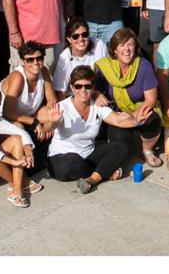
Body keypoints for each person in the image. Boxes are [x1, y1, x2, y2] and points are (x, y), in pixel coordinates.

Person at [42, 65, 139, 194]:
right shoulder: (62, 106)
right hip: (62, 158)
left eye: (87, 86)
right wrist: (52, 121)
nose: (83, 90)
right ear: (72, 87)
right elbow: (46, 128)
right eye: (78, 86)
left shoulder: (97, 105)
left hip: (87, 155)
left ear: (93, 88)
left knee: (121, 146)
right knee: (73, 164)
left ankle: (93, 179)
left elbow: (117, 120)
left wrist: (137, 120)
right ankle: (106, 172)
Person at [94, 29, 165, 167]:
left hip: (139, 109)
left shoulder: (144, 66)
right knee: (120, 140)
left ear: (135, 48)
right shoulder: (105, 67)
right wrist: (96, 94)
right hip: (117, 113)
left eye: (130, 44)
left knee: (152, 120)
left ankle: (147, 150)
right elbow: (91, 89)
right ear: (115, 49)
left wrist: (132, 116)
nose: (127, 49)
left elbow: (150, 99)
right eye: (122, 45)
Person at [0, 42, 59, 165]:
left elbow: (52, 102)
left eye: (39, 58)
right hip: (5, 118)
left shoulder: (44, 71)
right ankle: (23, 164)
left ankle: (53, 151)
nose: (35, 63)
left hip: (28, 115)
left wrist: (50, 124)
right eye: (30, 60)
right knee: (20, 128)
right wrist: (35, 123)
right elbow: (7, 113)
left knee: (53, 113)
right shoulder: (17, 77)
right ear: (22, 62)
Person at [53, 20, 108, 92]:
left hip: (100, 93)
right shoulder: (64, 57)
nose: (81, 39)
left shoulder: (99, 45)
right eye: (75, 36)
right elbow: (60, 90)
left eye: (84, 34)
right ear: (69, 39)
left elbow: (108, 76)